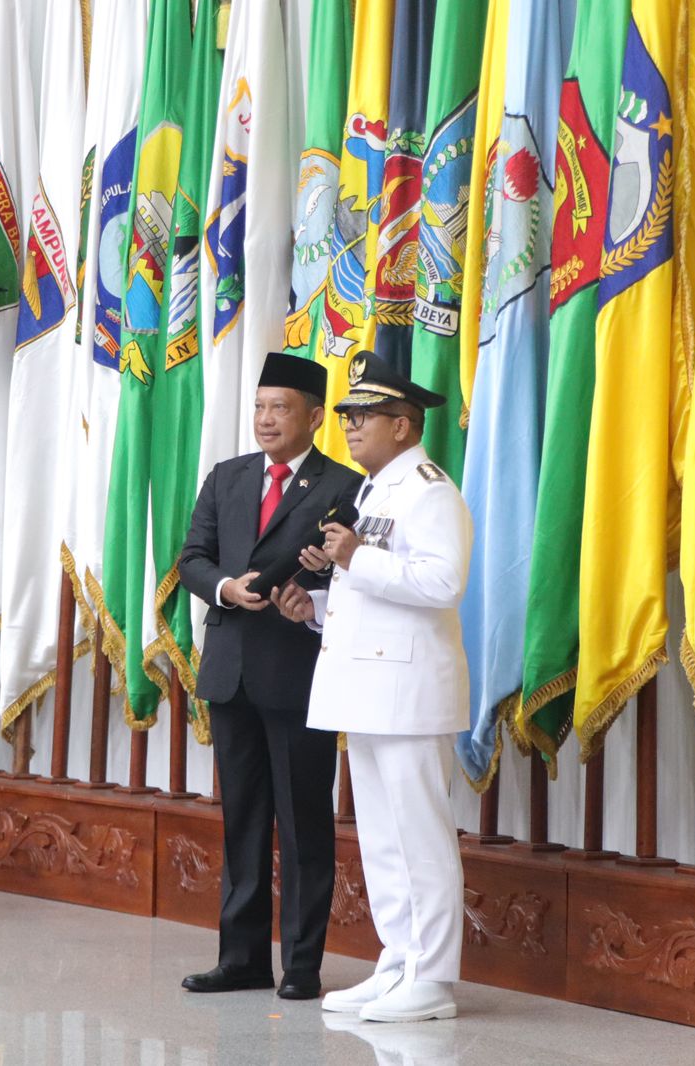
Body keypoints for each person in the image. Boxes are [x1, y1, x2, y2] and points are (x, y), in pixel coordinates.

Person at [273, 352, 472, 1023]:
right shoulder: (373, 492)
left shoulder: (429, 490)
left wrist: (357, 557)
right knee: (383, 839)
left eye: (365, 416)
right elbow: (372, 597)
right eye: (348, 415)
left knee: (420, 836)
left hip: (411, 691)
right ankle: (398, 961)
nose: (351, 426)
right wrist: (317, 608)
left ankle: (434, 977)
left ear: (405, 424)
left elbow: (444, 584)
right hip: (369, 687)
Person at [177, 352, 363, 1001]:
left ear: (314, 416)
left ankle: (304, 967)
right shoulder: (226, 478)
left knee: (304, 820)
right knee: (244, 821)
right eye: (258, 407)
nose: (264, 419)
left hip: (298, 671)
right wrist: (226, 587)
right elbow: (192, 559)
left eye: (279, 408)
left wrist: (302, 586)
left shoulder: (342, 486)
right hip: (230, 670)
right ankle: (242, 959)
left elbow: (342, 574)